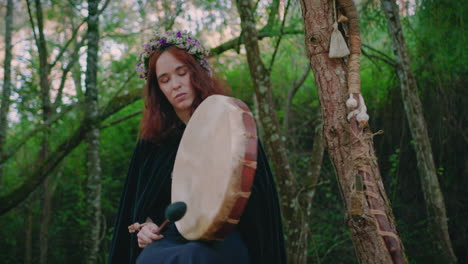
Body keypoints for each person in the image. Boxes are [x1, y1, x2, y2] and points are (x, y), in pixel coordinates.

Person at [108, 30, 286, 264]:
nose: (175, 85)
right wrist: (146, 226)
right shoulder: (153, 144)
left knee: (193, 256)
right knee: (149, 259)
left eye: (182, 73)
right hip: (172, 237)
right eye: (165, 79)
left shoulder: (231, 124)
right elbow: (142, 206)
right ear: (158, 89)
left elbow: (258, 202)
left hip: (224, 236)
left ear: (197, 73)